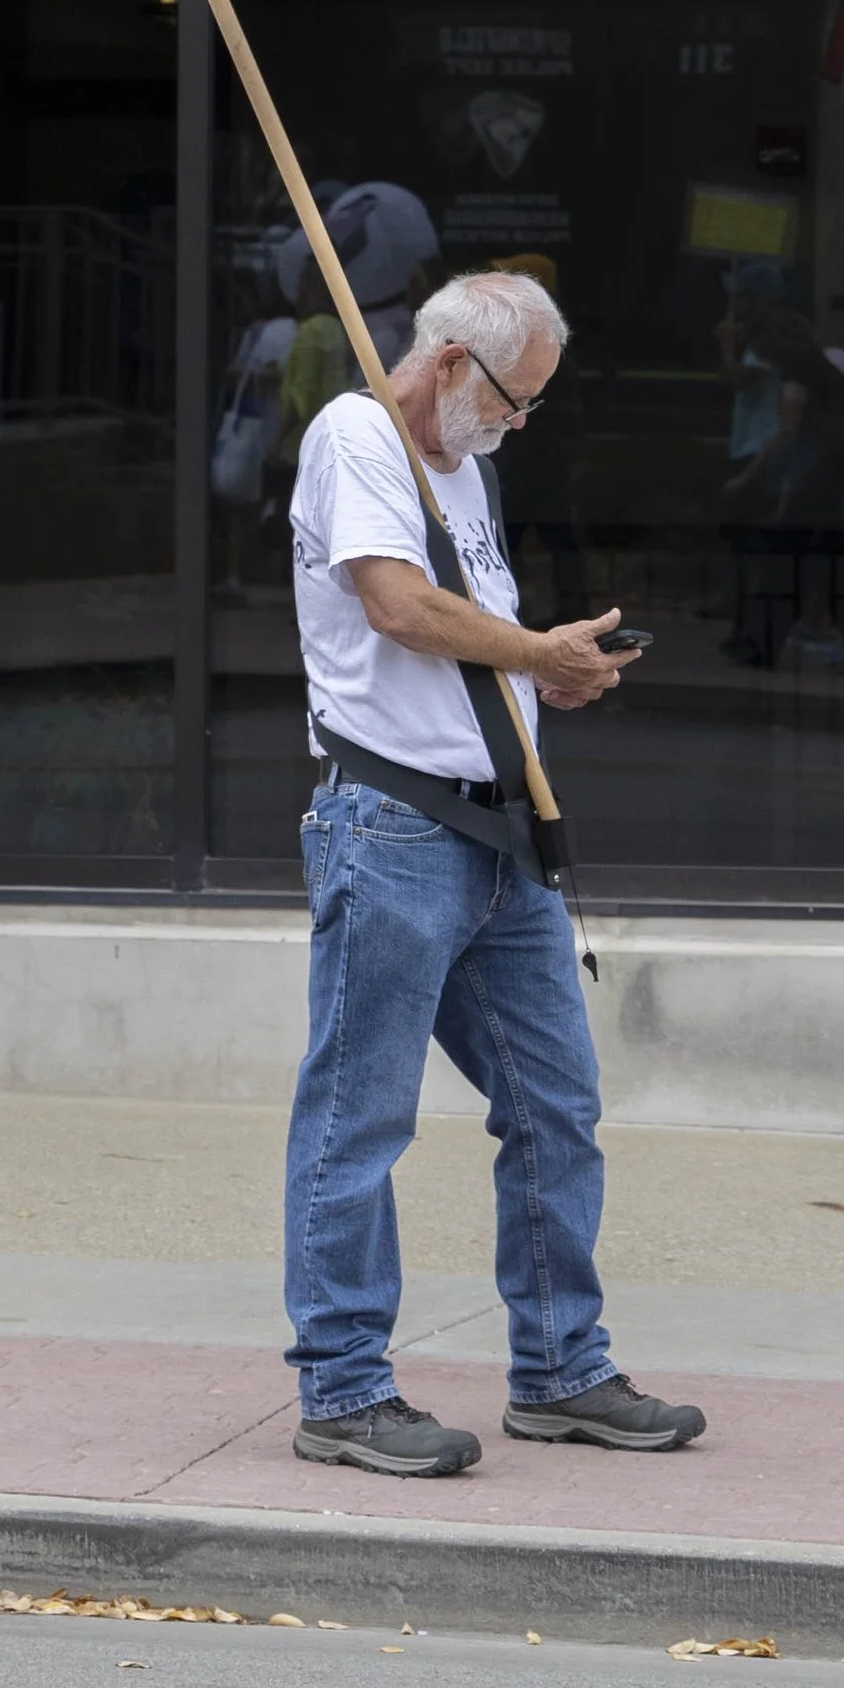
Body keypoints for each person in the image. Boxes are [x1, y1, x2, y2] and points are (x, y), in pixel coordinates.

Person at [283, 265, 705, 1478]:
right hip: (395, 829)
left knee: (554, 1107)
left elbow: (474, 650)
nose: (520, 425)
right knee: (359, 1118)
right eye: (516, 401)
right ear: (454, 363)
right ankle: (344, 1388)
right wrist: (532, 648)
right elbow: (401, 611)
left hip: (500, 838)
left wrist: (550, 674)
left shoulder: (467, 476)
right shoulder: (356, 433)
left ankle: (563, 1369)